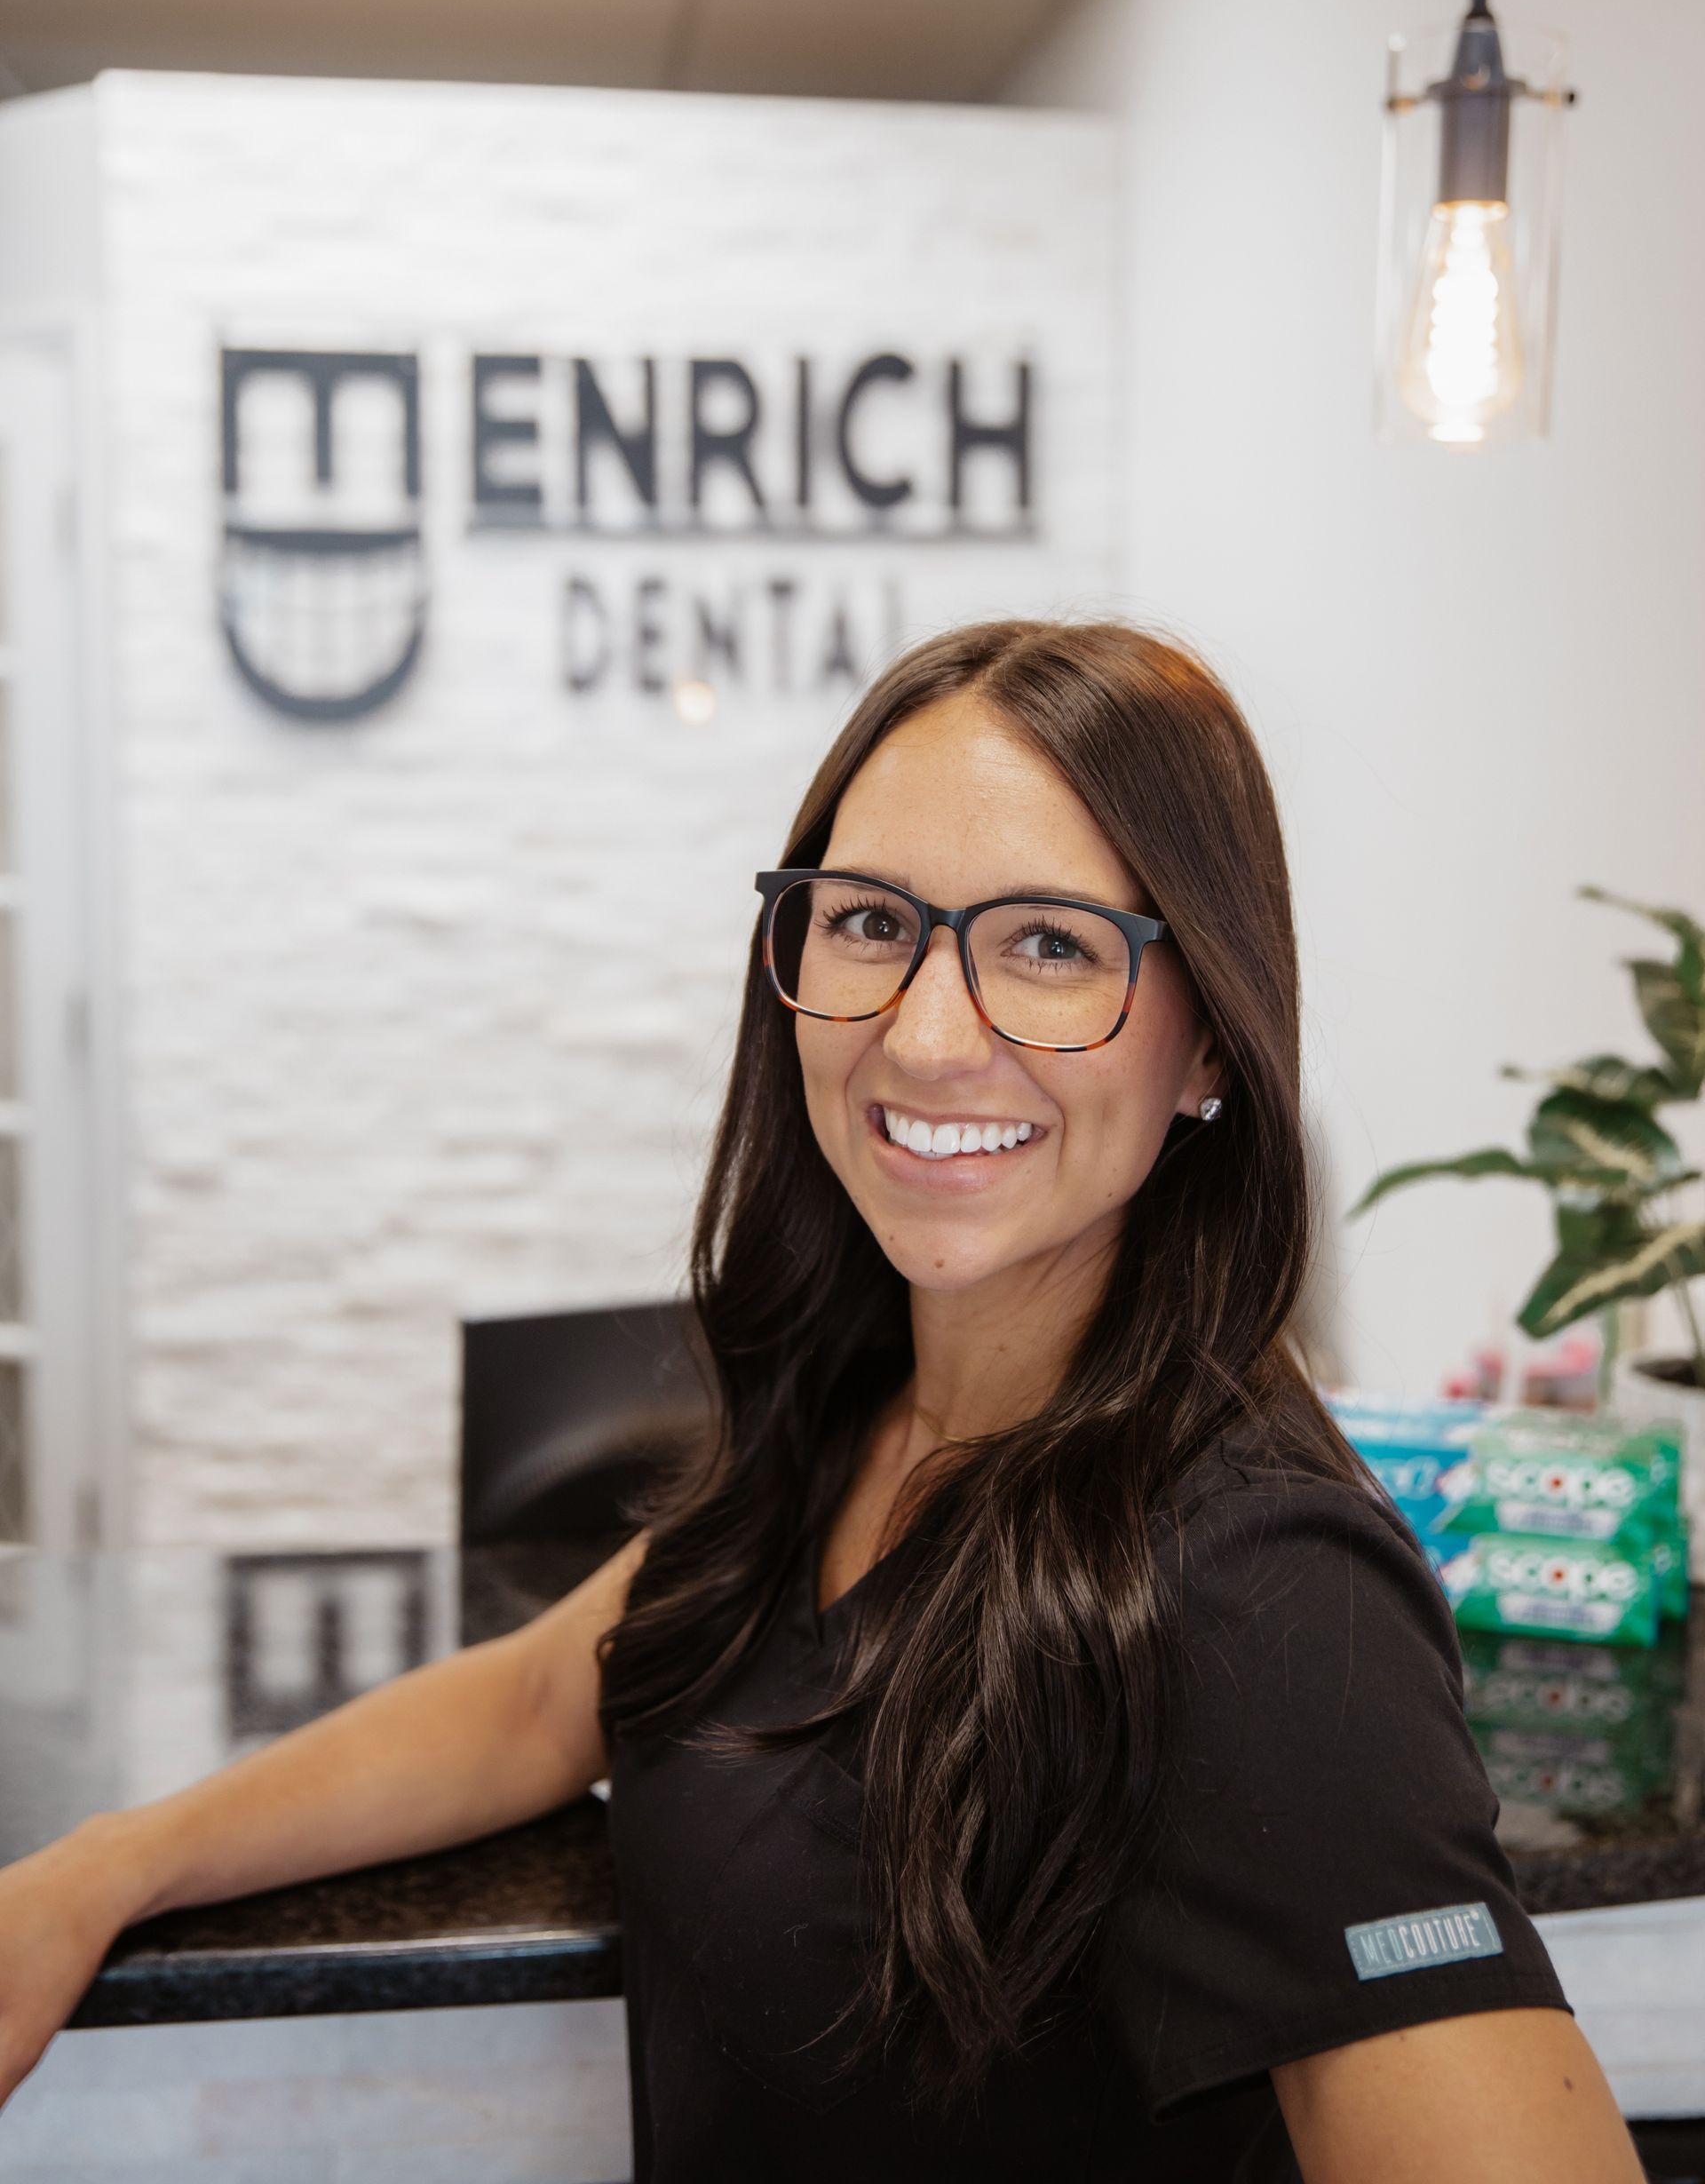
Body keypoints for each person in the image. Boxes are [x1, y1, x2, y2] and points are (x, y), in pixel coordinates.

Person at [0, 619, 1639, 2182]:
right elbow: (536, 1699)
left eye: (1050, 946)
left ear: (1210, 1039)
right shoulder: (854, 1410)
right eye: (869, 922)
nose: (924, 1036)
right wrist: (105, 1869)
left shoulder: (1260, 1585)